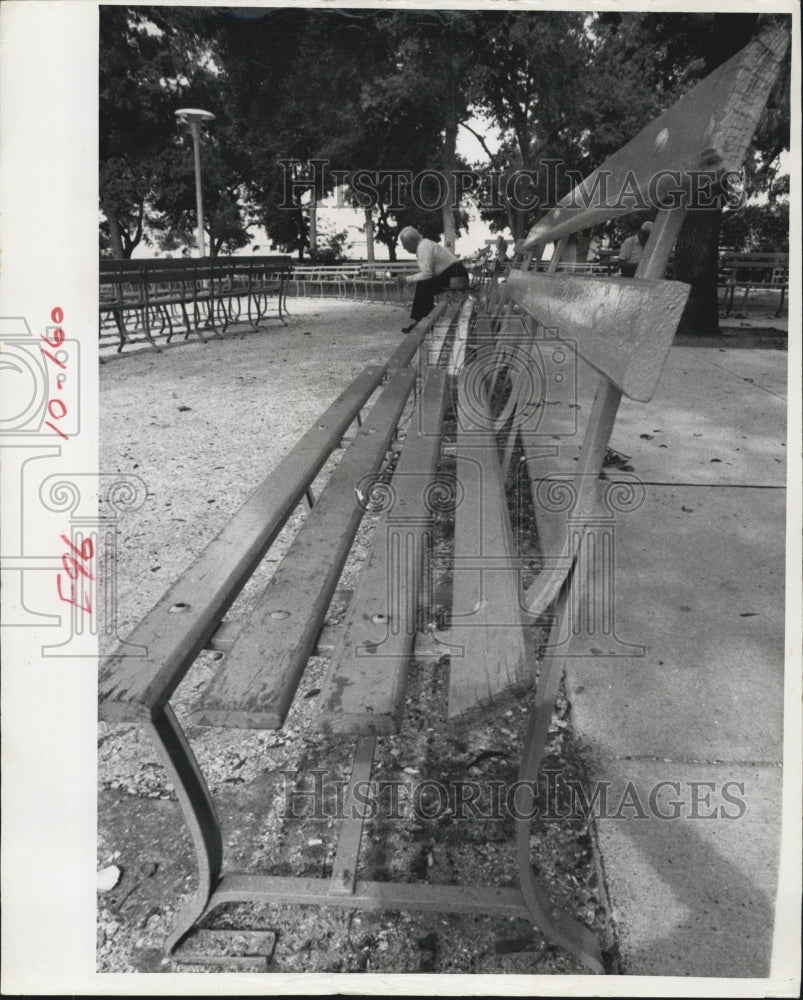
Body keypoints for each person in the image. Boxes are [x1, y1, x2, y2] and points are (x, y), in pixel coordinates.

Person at [398, 226, 469, 332]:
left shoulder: (423, 247)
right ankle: (420, 321)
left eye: (404, 244)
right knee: (423, 284)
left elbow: (427, 274)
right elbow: (427, 274)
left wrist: (406, 279)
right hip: (455, 274)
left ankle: (426, 323)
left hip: (456, 276)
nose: (404, 247)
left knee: (425, 285)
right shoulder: (424, 244)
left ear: (412, 241)